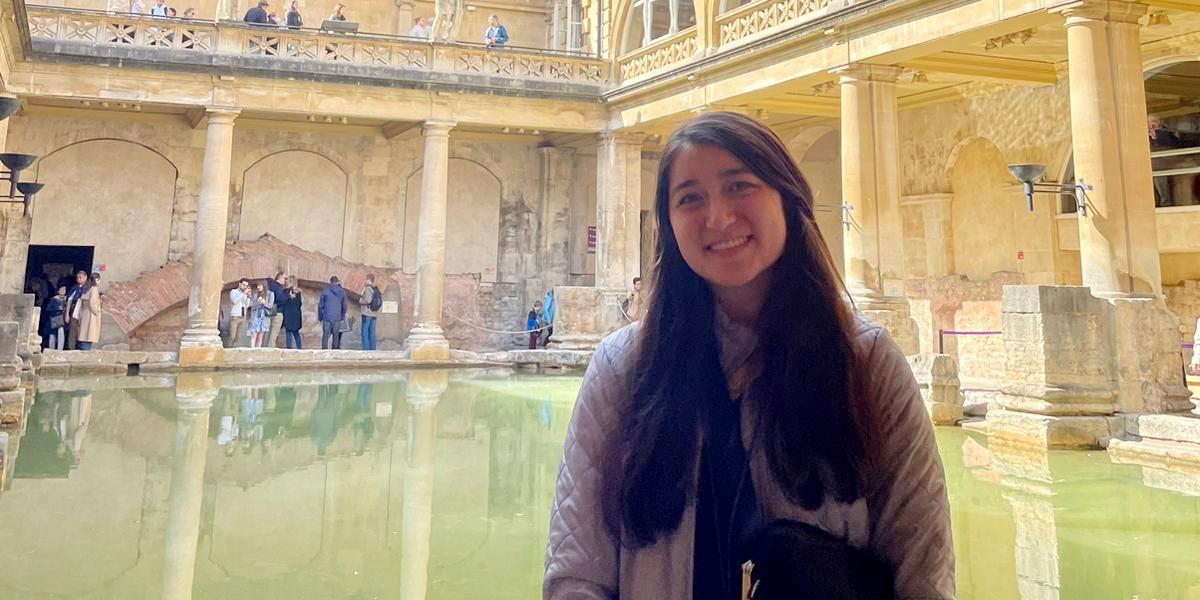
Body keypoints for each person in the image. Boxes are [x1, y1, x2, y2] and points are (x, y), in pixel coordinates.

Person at [543, 113, 954, 599]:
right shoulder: (621, 368)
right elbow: (578, 575)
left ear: (787, 197)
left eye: (739, 186)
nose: (717, 217)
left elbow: (922, 570)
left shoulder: (866, 362)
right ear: (669, 225)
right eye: (690, 198)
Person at [318, 275, 348, 350]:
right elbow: (344, 305)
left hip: (327, 316)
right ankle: (335, 352)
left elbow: (321, 305)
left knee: (325, 335)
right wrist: (342, 316)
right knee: (336, 335)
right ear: (337, 282)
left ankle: (324, 351)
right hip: (337, 317)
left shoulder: (325, 291)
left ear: (330, 282)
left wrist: (320, 317)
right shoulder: (342, 292)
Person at [77, 273, 103, 351]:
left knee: (84, 336)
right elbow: (93, 304)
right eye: (99, 280)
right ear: (96, 279)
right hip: (91, 316)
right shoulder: (94, 289)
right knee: (89, 336)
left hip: (84, 314)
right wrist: (97, 312)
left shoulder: (86, 288)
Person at [65, 270, 88, 350]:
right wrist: (67, 314)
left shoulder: (88, 288)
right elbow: (69, 300)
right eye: (78, 277)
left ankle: (80, 349)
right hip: (74, 312)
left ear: (85, 277)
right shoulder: (75, 288)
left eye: (81, 277)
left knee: (81, 332)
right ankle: (71, 348)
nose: (79, 279)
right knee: (72, 331)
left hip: (83, 313)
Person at [247, 282, 274, 348]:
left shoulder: (270, 294)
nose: (258, 287)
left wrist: (264, 303)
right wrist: (257, 302)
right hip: (255, 316)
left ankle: (258, 351)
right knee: (254, 334)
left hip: (264, 317)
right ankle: (252, 350)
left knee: (260, 336)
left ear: (264, 285)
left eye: (259, 285)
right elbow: (252, 306)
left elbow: (270, 306)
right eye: (257, 286)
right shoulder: (256, 294)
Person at [359, 274, 381, 351]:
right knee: (372, 332)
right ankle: (373, 349)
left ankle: (366, 349)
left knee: (365, 332)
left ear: (368, 280)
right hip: (374, 314)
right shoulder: (375, 289)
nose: (364, 281)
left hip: (367, 313)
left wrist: (360, 299)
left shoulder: (368, 289)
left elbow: (368, 300)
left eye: (365, 279)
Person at [227, 278, 252, 347]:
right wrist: (243, 293)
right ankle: (228, 349)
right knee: (232, 336)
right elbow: (234, 301)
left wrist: (248, 297)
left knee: (238, 337)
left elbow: (247, 305)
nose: (245, 287)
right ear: (239, 284)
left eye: (246, 286)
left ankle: (234, 350)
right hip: (235, 316)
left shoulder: (245, 294)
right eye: (243, 285)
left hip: (243, 316)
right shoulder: (233, 291)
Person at [282, 276, 304, 349]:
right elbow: (300, 304)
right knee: (296, 333)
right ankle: (299, 348)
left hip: (288, 314)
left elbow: (284, 302)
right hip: (296, 314)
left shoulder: (286, 291)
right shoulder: (298, 292)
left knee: (288, 332)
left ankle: (289, 349)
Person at [267, 271, 287, 348]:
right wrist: (288, 297)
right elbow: (280, 298)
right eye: (285, 278)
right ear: (280, 277)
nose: (285, 281)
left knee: (270, 331)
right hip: (277, 311)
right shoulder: (278, 287)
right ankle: (271, 348)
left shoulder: (271, 285)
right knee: (274, 332)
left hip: (271, 311)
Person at [45, 286, 68, 351]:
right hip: (54, 318)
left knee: (60, 333)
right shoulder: (54, 300)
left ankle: (59, 349)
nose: (63, 291)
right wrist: (58, 309)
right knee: (53, 334)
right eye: (61, 289)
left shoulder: (67, 299)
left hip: (62, 318)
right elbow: (49, 309)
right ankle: (52, 349)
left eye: (64, 289)